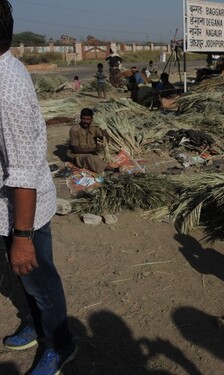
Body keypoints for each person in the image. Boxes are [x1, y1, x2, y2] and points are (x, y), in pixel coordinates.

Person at [0, 1, 78, 373]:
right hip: (8, 209)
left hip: (22, 212)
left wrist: (21, 236)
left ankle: (60, 345)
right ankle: (35, 325)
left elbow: (23, 172)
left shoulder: (6, 89)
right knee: (27, 280)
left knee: (40, 279)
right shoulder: (4, 67)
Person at [68, 108, 118, 174]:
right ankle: (111, 169)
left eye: (88, 119)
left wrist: (105, 134)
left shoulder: (94, 127)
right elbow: (75, 149)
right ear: (80, 117)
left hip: (92, 154)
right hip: (79, 156)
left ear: (91, 119)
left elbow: (105, 140)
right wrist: (93, 149)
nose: (85, 121)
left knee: (95, 158)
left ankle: (103, 167)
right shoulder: (74, 130)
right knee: (90, 158)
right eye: (83, 119)